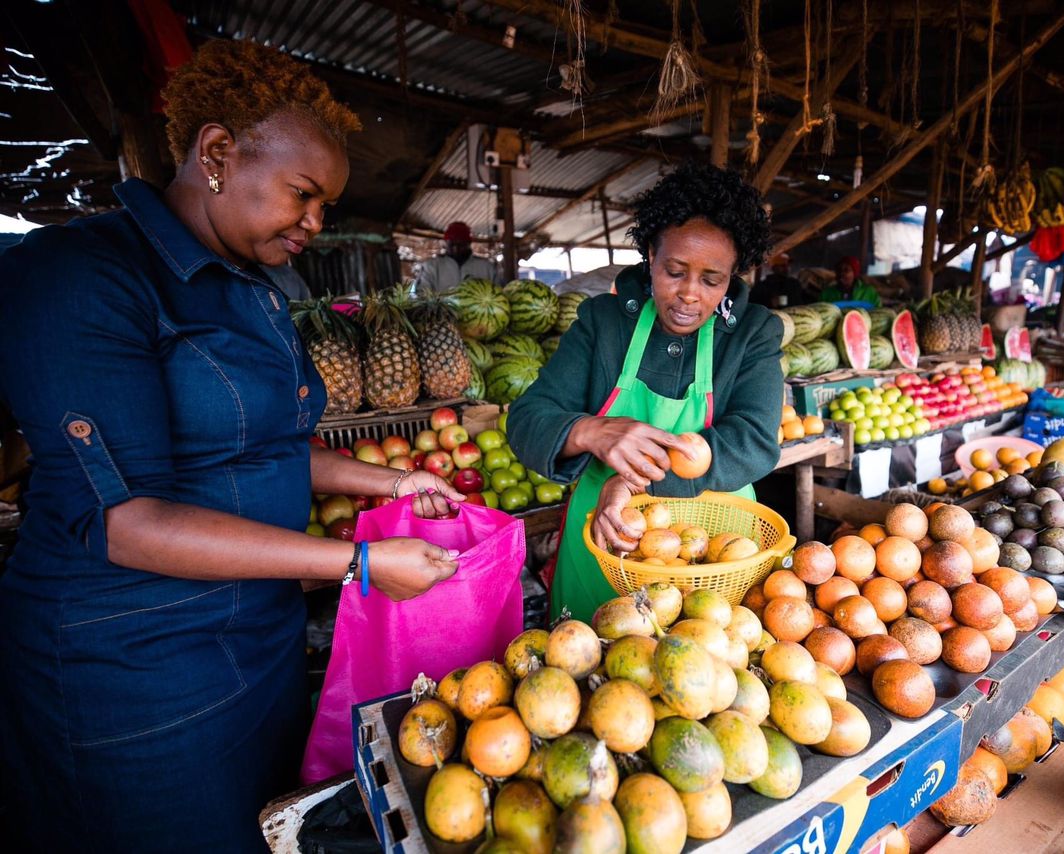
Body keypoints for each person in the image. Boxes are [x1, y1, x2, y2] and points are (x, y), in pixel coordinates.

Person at [0, 40, 463, 853]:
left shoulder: (251, 289)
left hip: (256, 646)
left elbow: (278, 447)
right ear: (217, 153)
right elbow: (126, 523)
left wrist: (389, 487)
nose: (316, 224)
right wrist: (356, 565)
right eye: (303, 195)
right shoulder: (83, 277)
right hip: (137, 674)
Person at [507, 163, 784, 621]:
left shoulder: (752, 334)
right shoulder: (603, 322)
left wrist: (632, 481)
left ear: (733, 276)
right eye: (674, 271)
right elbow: (528, 417)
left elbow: (753, 442)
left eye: (712, 280)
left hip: (716, 557)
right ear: (650, 256)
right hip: (604, 541)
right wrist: (592, 432)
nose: (689, 295)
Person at [415, 220, 498, 292]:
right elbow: (421, 295)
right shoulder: (431, 267)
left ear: (469, 244)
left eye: (461, 245)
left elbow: (498, 292)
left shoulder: (487, 268)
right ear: (446, 243)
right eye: (452, 244)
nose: (456, 249)